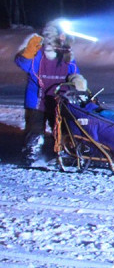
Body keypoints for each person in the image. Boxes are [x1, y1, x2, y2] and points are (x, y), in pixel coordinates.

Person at [14, 20, 80, 164]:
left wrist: (77, 80)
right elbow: (24, 64)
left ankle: (62, 151)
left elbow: (73, 71)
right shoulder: (39, 53)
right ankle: (32, 153)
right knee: (35, 128)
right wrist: (28, 52)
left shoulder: (67, 54)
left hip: (59, 98)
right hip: (37, 99)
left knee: (61, 127)